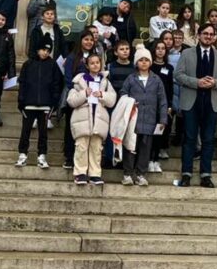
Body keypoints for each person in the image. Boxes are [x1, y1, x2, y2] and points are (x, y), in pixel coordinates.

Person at [174, 23, 217, 187]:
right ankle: (186, 174)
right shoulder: (187, 53)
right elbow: (178, 75)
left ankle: (206, 175)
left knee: (208, 140)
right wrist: (197, 82)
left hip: (211, 103)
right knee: (190, 139)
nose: (208, 36)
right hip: (192, 102)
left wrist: (214, 82)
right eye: (205, 33)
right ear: (199, 35)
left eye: (211, 34)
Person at [119, 47, 168, 186]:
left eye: (147, 60)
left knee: (145, 149)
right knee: (130, 147)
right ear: (136, 62)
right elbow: (123, 93)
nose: (144, 62)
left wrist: (163, 119)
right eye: (141, 60)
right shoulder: (131, 78)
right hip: (133, 120)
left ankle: (141, 174)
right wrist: (130, 103)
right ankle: (128, 173)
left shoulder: (156, 80)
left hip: (149, 120)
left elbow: (163, 101)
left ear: (151, 62)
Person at [15, 34, 64, 168]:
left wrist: (54, 102)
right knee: (25, 131)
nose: (45, 53)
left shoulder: (53, 65)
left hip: (45, 105)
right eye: (43, 50)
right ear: (37, 49)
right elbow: (23, 83)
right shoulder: (28, 64)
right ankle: (22, 154)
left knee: (43, 133)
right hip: (28, 104)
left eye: (48, 51)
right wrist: (21, 101)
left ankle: (42, 155)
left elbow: (56, 84)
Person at [67, 53, 116, 185]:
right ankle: (80, 173)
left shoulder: (105, 82)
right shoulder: (79, 81)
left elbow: (112, 99)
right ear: (87, 65)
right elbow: (71, 101)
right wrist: (84, 94)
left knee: (96, 148)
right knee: (81, 147)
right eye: (92, 63)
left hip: (99, 120)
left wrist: (102, 95)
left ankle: (95, 173)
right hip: (82, 120)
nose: (95, 65)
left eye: (97, 62)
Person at [62, 29, 101, 168]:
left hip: (92, 99)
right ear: (80, 41)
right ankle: (69, 156)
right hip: (77, 97)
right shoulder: (72, 57)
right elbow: (68, 79)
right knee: (72, 128)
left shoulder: (96, 57)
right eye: (86, 39)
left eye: (91, 40)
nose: (89, 42)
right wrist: (80, 93)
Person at [150, 40, 175, 168]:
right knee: (150, 133)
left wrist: (170, 105)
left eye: (163, 48)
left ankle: (156, 158)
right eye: (158, 48)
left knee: (160, 131)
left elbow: (170, 87)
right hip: (150, 104)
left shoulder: (169, 68)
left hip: (164, 105)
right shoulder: (149, 66)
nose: (160, 50)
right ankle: (150, 159)